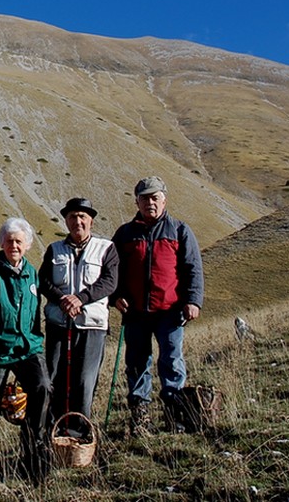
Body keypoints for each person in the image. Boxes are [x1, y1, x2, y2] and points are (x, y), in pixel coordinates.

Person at [112, 176, 204, 435]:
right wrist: (115, 296)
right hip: (136, 312)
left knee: (172, 361)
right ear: (137, 202)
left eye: (155, 198)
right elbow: (112, 270)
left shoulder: (179, 230)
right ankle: (140, 417)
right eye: (144, 198)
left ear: (164, 200)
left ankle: (175, 414)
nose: (150, 203)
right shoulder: (125, 234)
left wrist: (193, 300)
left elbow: (192, 268)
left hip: (170, 311)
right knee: (137, 363)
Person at [0, 218, 51, 485]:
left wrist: (36, 342)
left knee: (42, 389)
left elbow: (34, 314)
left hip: (28, 348)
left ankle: (33, 463)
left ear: (27, 245)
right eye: (9, 241)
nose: (14, 245)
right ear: (1, 243)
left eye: (19, 241)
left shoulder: (31, 273)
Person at [38, 198, 119, 435]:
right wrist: (62, 298)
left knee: (84, 381)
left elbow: (109, 282)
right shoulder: (54, 249)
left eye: (83, 216)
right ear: (66, 220)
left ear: (91, 220)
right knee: (55, 377)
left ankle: (80, 433)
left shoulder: (106, 248)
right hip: (58, 324)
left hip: (92, 326)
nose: (78, 221)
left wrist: (80, 298)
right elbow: (43, 280)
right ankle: (53, 430)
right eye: (73, 217)